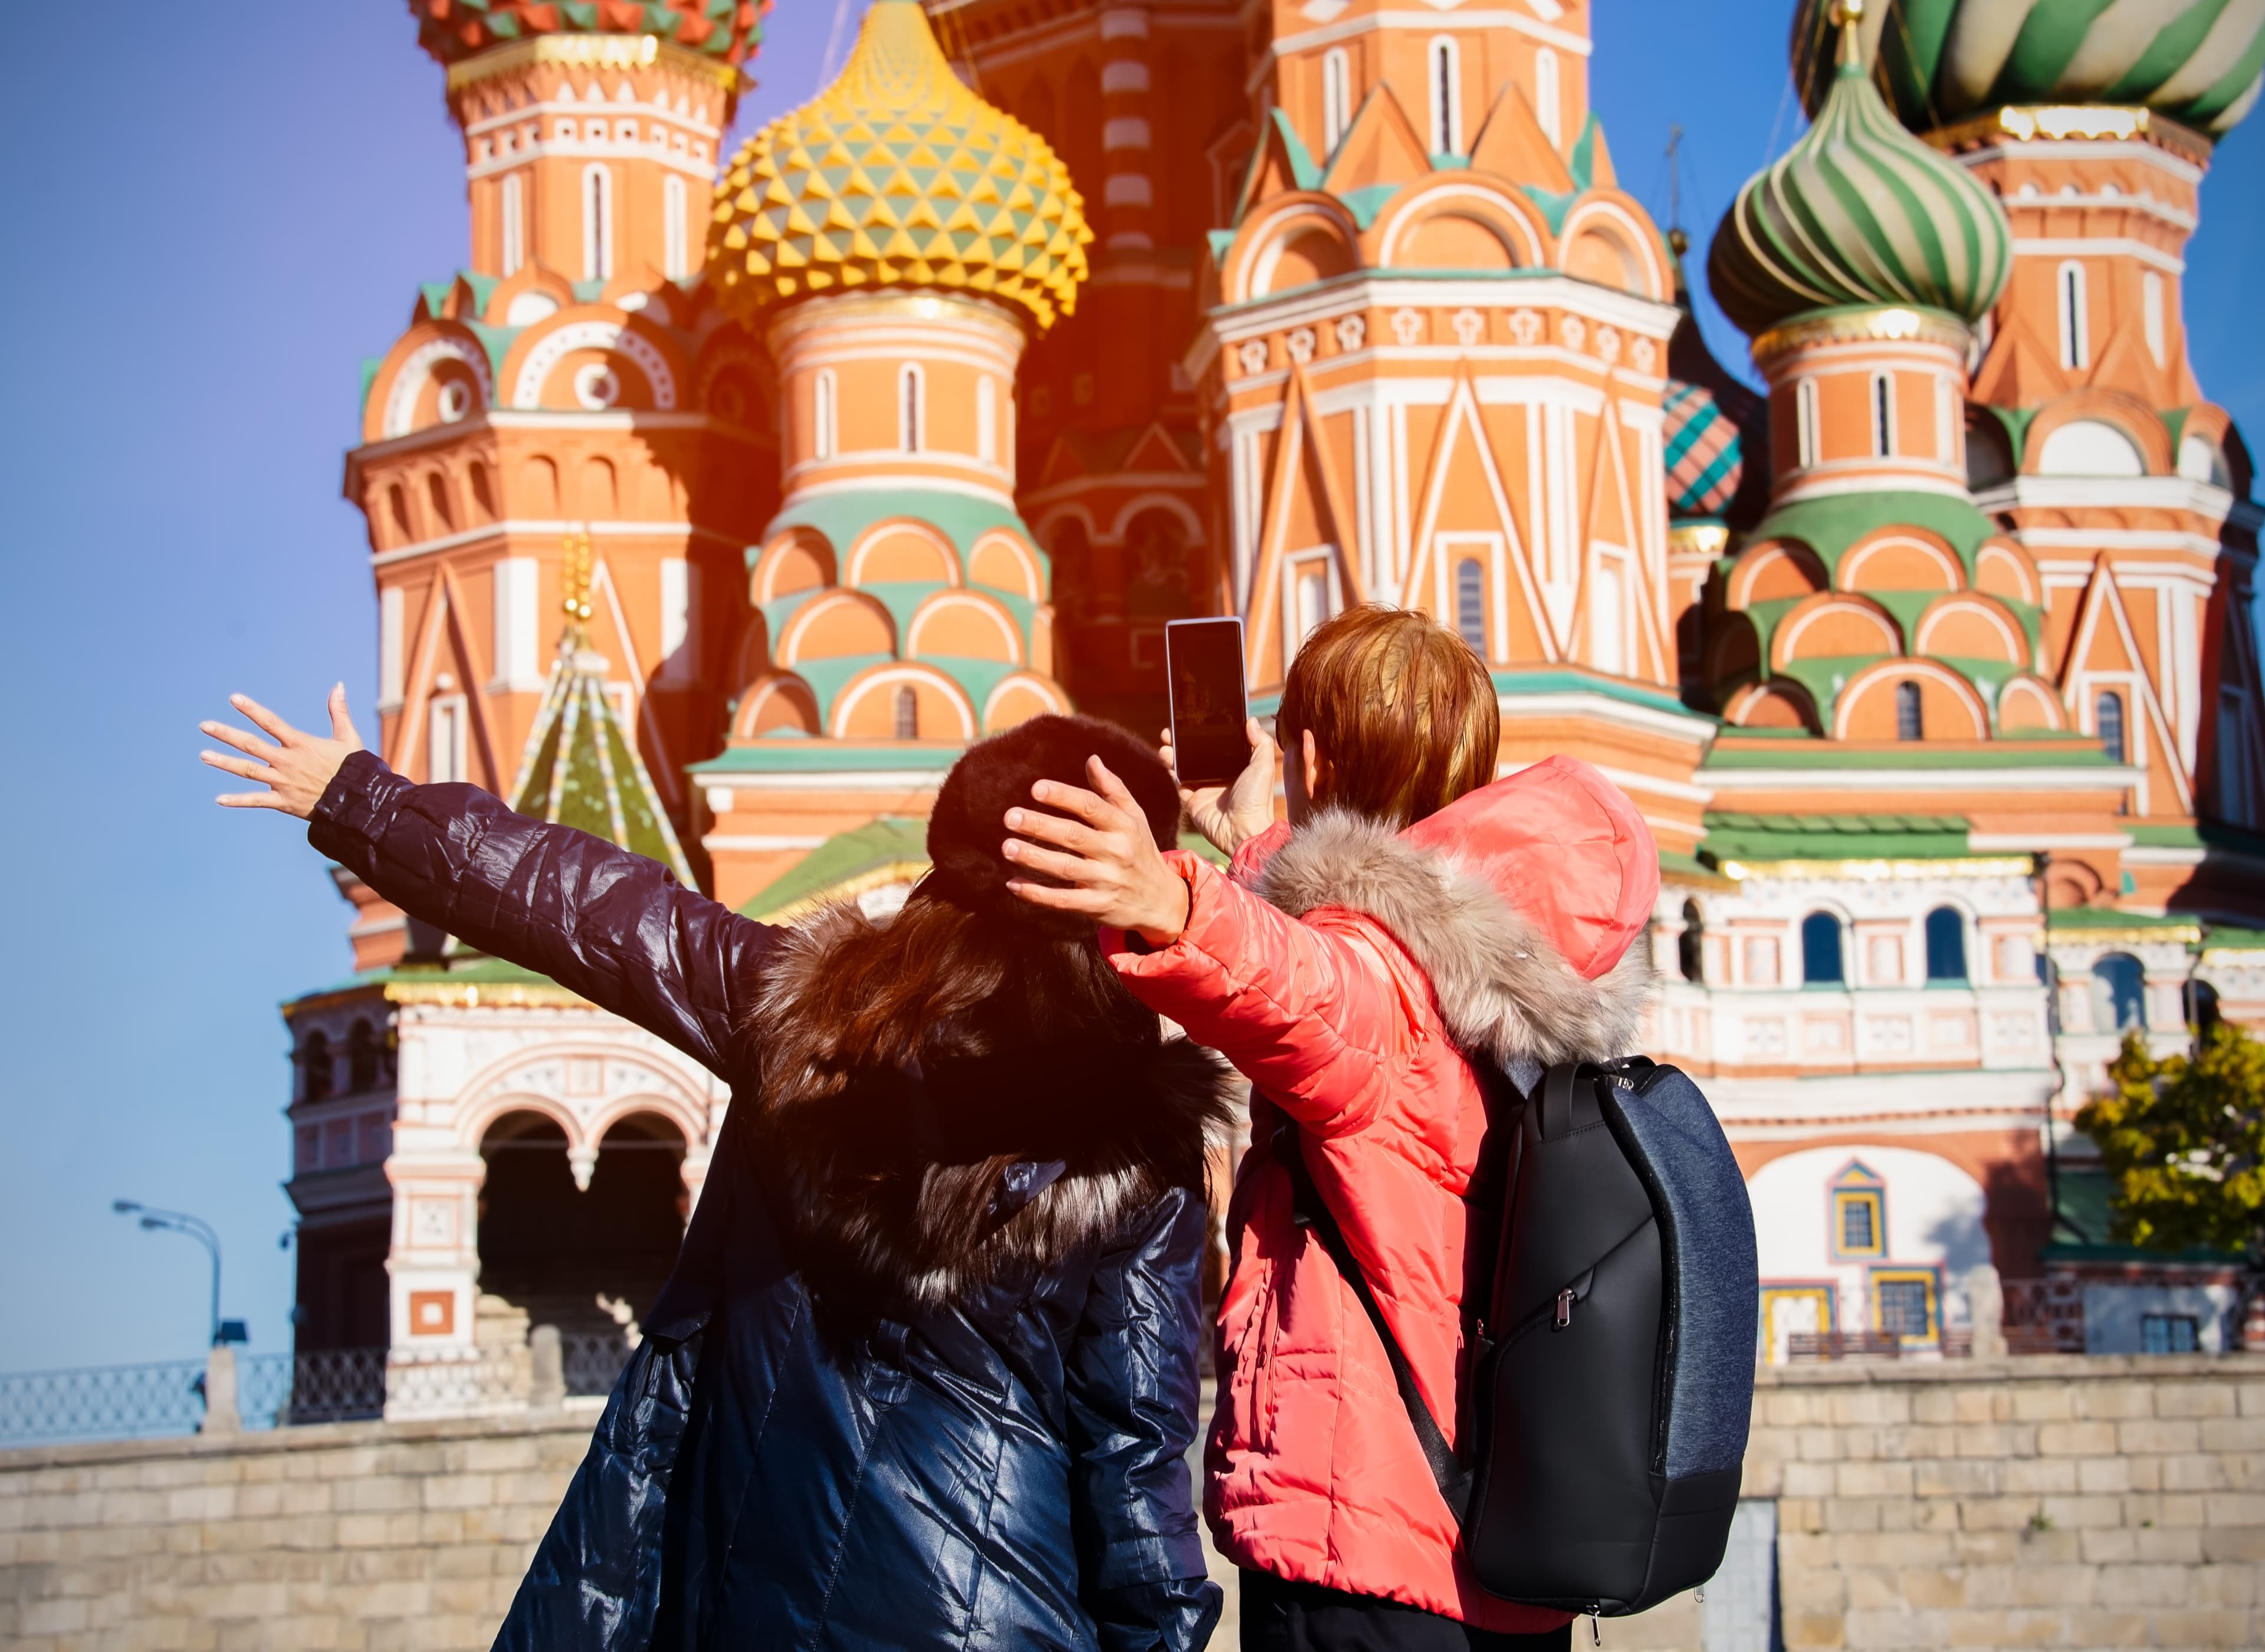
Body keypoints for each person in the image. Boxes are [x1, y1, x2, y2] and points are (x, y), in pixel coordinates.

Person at [199, 689, 1230, 1652]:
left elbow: (588, 905)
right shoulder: (1141, 1135)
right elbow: (1136, 1461)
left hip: (754, 1594)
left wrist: (361, 798)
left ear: (950, 857)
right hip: (1009, 1610)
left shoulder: (805, 1014)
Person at [998, 606, 1659, 1651]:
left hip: (1372, 1549)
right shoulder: (1493, 962)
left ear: (1309, 750)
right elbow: (1356, 940)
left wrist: (1169, 903)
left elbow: (1312, 990)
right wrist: (1250, 834)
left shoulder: (1381, 987)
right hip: (1482, 1527)